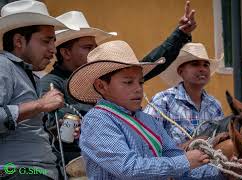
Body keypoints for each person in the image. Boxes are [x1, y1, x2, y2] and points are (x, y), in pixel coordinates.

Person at [39, 1, 196, 164]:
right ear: (65, 52)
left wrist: (179, 35)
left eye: (139, 82)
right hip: (76, 161)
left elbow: (150, 63)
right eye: (87, 47)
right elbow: (51, 121)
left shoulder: (116, 82)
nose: (94, 51)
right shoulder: (50, 84)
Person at [67, 40, 223, 179]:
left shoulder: (147, 120)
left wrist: (223, 173)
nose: (138, 89)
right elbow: (128, 168)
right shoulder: (98, 120)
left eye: (140, 82)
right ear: (101, 86)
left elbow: (179, 162)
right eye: (128, 82)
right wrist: (185, 161)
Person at [0, 0, 77, 179]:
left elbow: (25, 128)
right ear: (19, 41)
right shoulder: (3, 65)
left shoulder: (29, 74)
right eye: (46, 41)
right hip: (17, 171)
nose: (53, 49)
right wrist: (40, 105)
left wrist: (56, 129)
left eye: (54, 42)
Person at [144, 43, 224, 147]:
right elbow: (148, 143)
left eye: (206, 65)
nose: (202, 69)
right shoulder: (163, 101)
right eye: (195, 64)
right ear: (181, 71)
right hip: (174, 163)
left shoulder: (215, 105)